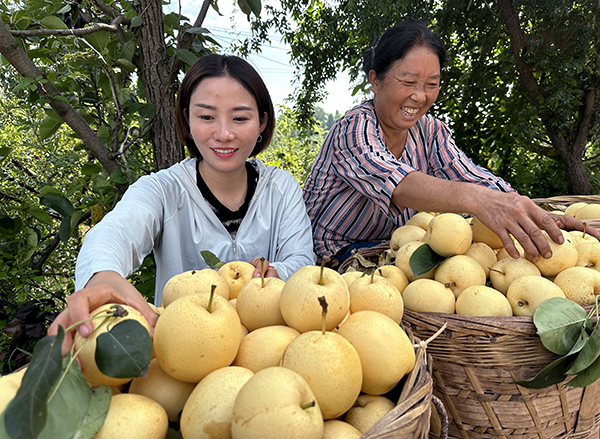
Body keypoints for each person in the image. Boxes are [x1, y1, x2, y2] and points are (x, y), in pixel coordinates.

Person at [49, 53, 316, 351]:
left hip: (264, 349)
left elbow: (303, 260)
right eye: (206, 117)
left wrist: (277, 271)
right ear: (187, 119)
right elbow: (115, 233)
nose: (224, 134)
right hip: (181, 350)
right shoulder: (164, 190)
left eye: (240, 118)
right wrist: (103, 277)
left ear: (262, 122)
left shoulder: (281, 188)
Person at [303, 19, 600, 267]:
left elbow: (470, 176)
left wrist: (524, 208)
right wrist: (478, 200)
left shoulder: (431, 131)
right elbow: (398, 185)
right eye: (408, 82)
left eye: (432, 84)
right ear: (375, 80)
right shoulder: (353, 129)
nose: (420, 96)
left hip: (400, 251)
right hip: (338, 258)